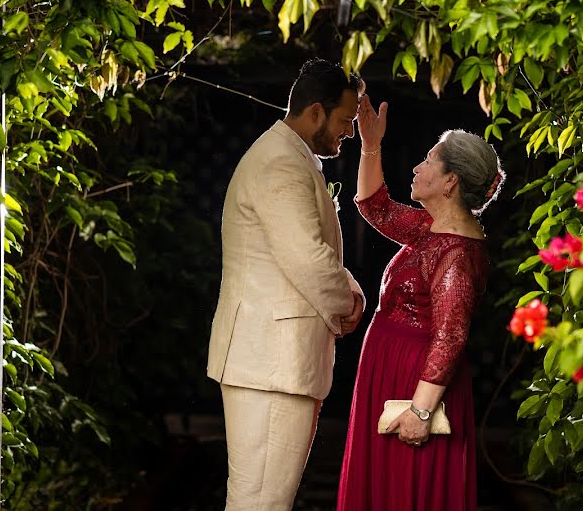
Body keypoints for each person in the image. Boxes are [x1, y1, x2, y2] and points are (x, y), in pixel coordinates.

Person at [207, 58, 366, 510]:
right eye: (345, 120)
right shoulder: (281, 164)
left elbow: (308, 249)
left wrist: (346, 289)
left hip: (269, 359)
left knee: (257, 499)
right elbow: (308, 259)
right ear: (315, 112)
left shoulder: (286, 156)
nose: (349, 132)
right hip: (271, 362)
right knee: (263, 501)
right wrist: (348, 301)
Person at [336, 94, 504, 511]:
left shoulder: (459, 252)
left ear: (451, 181)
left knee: (407, 491)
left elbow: (450, 336)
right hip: (391, 368)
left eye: (428, 160)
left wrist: (422, 412)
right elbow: (375, 209)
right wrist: (370, 145)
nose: (417, 167)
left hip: (416, 383)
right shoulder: (432, 228)